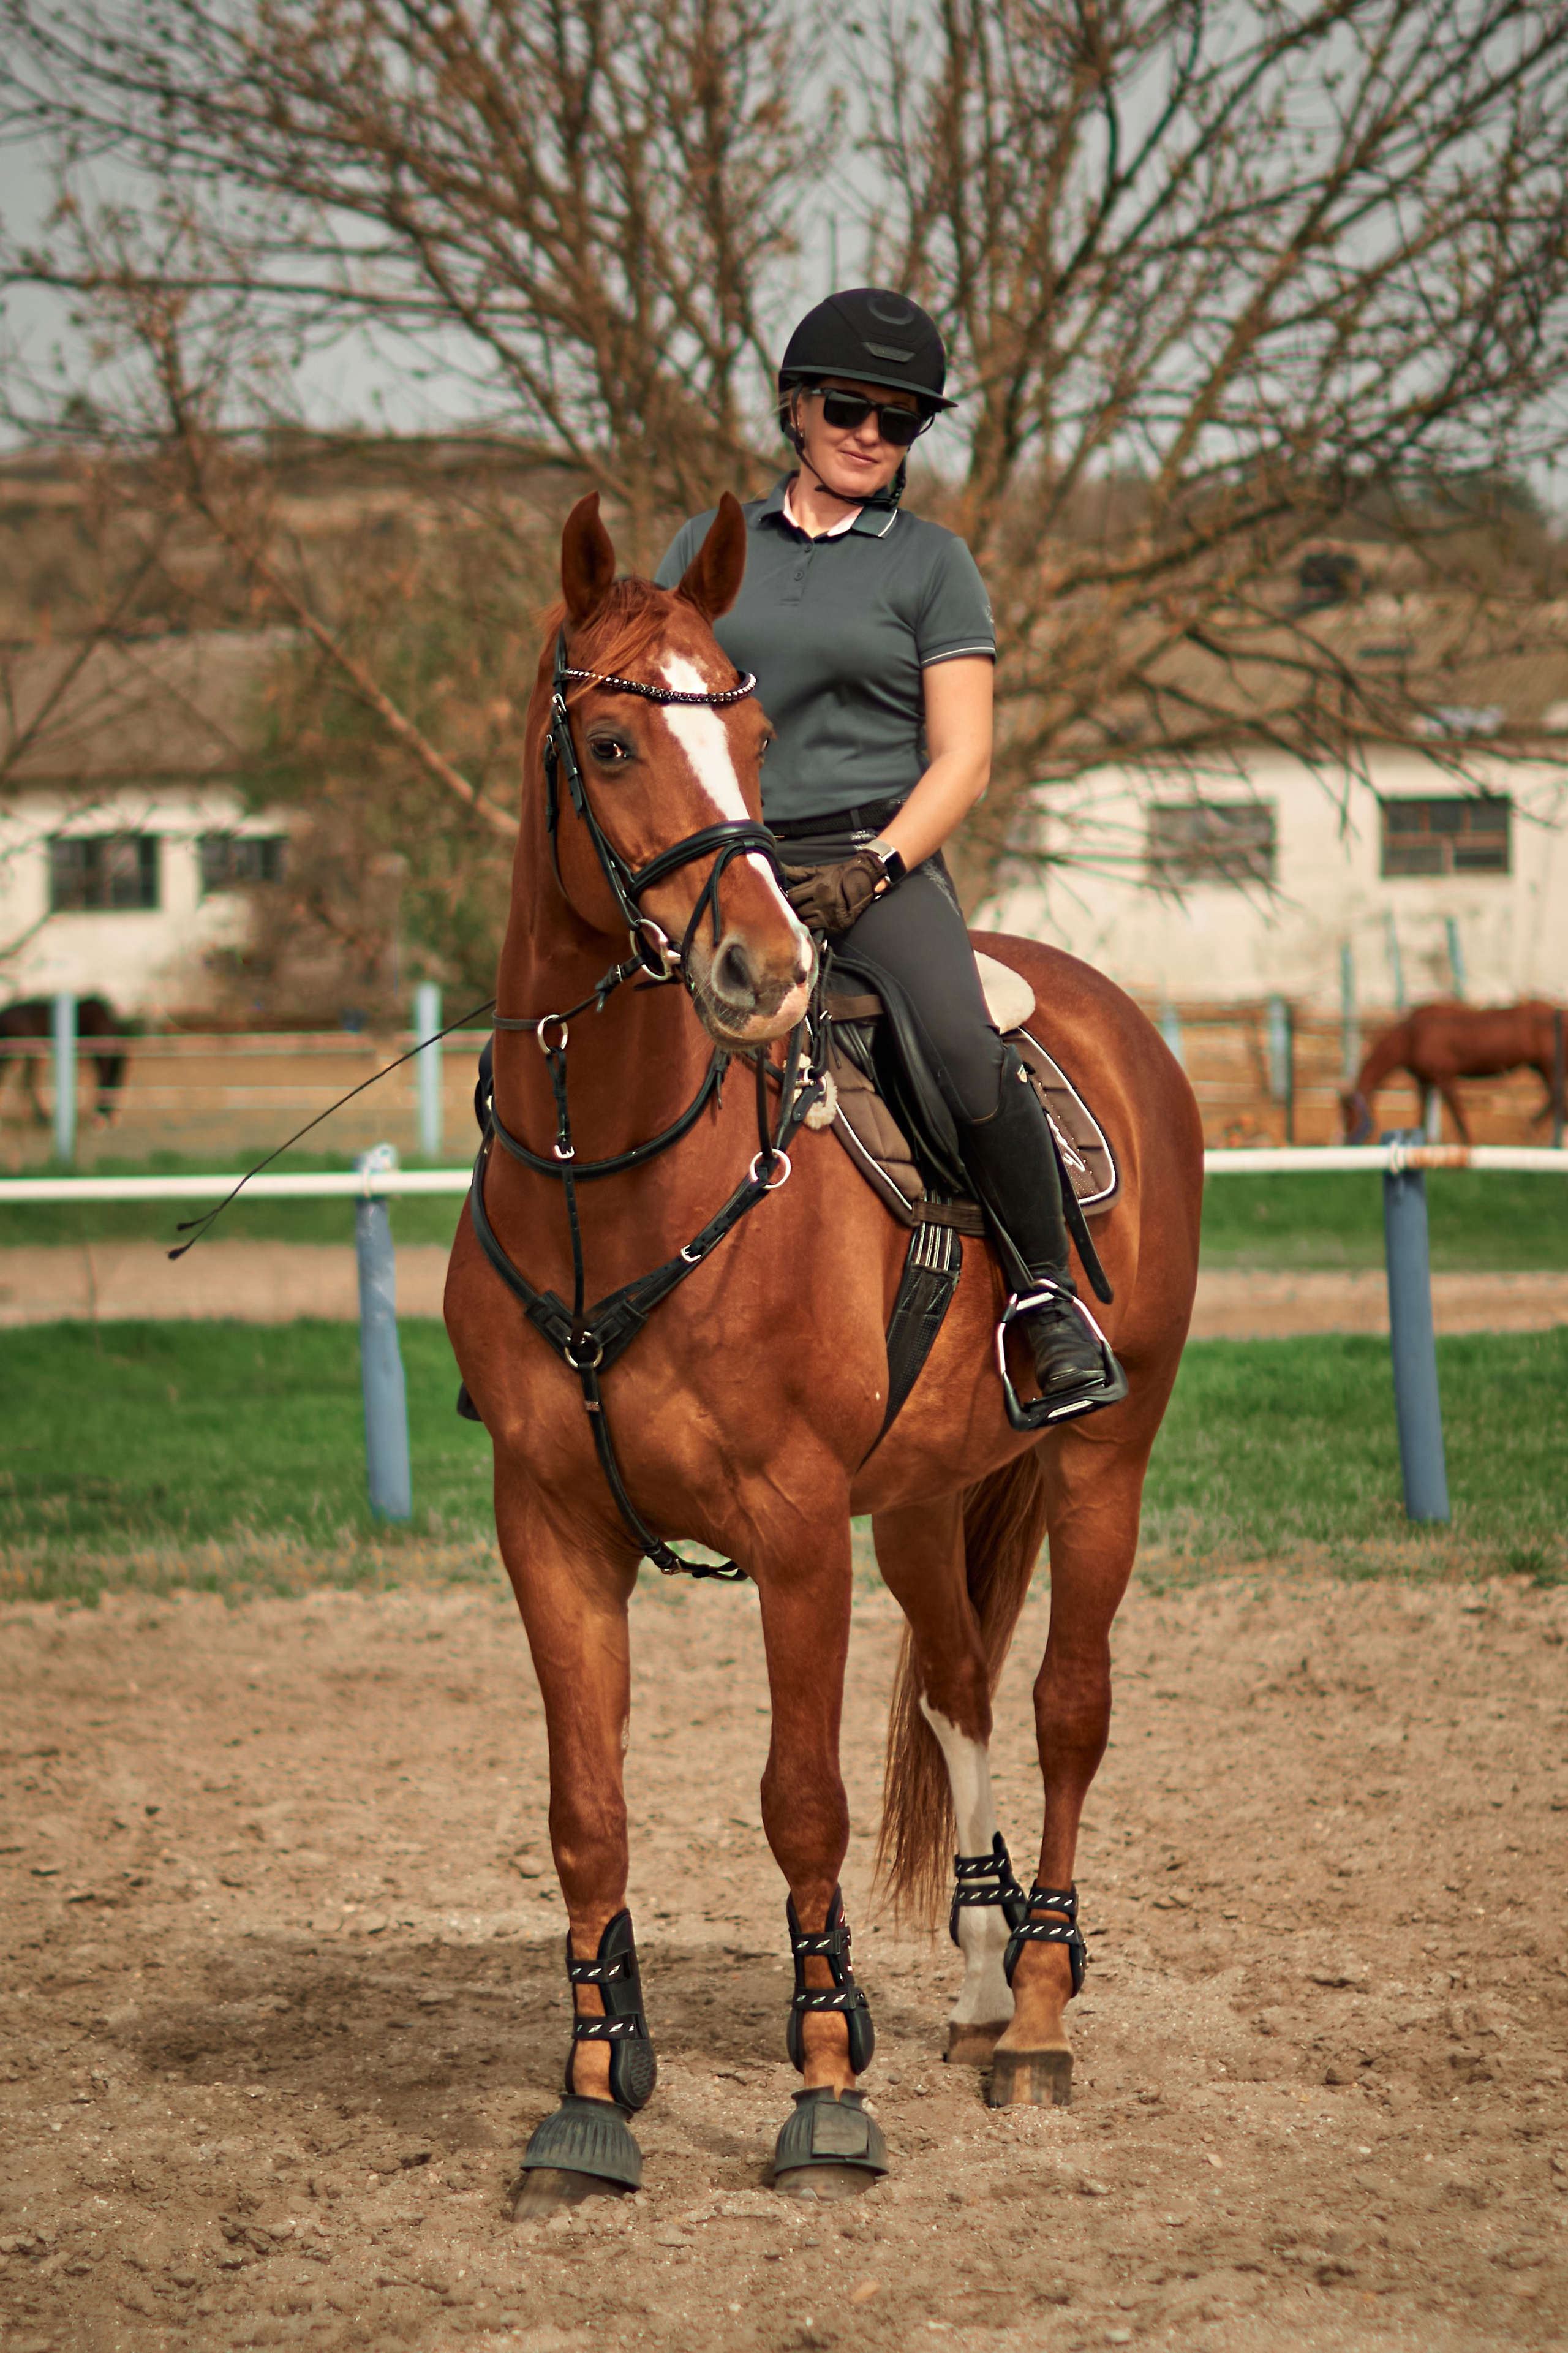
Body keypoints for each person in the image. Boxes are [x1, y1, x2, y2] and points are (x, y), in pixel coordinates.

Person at [655, 287, 1122, 1421]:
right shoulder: (708, 549)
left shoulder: (931, 564)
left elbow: (963, 756)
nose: (872, 435)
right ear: (796, 410)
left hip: (876, 862)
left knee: (963, 1046)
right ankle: (555, 1304)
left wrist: (876, 868)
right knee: (590, 1028)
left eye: (901, 420)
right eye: (851, 409)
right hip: (728, 856)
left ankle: (1046, 1299)